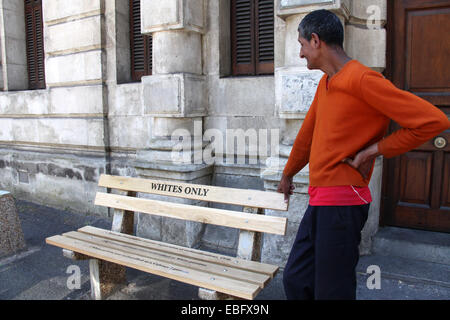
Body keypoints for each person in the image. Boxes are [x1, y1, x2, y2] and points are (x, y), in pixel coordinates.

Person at [278, 9, 450, 300]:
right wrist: (287, 174)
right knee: (297, 279)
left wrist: (374, 150)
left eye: (302, 44)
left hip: (344, 204)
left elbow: (434, 121)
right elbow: (306, 137)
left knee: (332, 292)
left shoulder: (363, 79)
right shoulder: (326, 83)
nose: (301, 53)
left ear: (316, 41)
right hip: (319, 200)